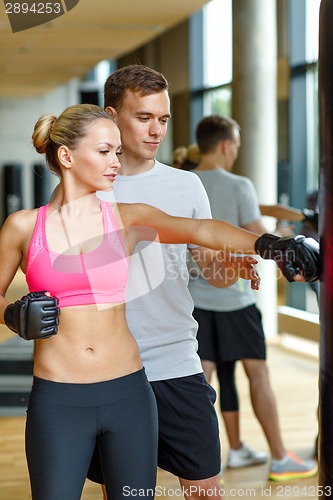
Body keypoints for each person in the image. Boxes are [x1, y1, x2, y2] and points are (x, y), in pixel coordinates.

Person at [0, 103, 269, 499]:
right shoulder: (23, 226)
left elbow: (198, 228)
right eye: (105, 151)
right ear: (66, 156)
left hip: (128, 394)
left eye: (117, 152)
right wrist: (11, 314)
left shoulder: (126, 218)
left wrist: (271, 244)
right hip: (59, 398)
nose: (115, 162)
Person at [78, 65, 319, 499]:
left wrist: (234, 266)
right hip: (107, 368)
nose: (156, 131)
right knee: (127, 491)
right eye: (144, 118)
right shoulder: (86, 188)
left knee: (207, 488)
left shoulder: (185, 186)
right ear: (112, 117)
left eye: (163, 119)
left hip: (174, 360)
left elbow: (210, 270)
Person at [189, 114, 319, 482]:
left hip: (195, 302)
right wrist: (283, 232)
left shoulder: (184, 183)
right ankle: (279, 456)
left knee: (200, 386)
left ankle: (203, 463)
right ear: (227, 145)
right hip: (234, 300)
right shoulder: (238, 184)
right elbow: (261, 239)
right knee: (258, 376)